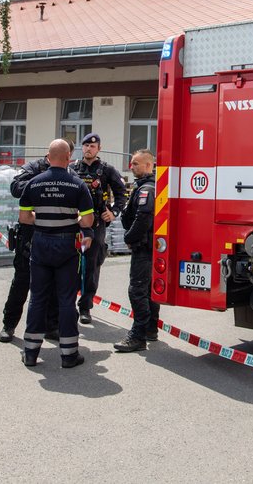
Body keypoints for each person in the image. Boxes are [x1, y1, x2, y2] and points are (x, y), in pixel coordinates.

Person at [18, 139, 95, 367]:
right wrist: (73, 219)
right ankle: (69, 354)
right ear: (69, 158)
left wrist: (41, 219)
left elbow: (24, 218)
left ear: (48, 158)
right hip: (66, 246)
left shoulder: (34, 183)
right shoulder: (77, 184)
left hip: (40, 243)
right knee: (66, 300)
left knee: (38, 298)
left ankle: (31, 353)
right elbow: (88, 220)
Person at [0, 153, 62, 343]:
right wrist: (44, 182)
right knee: (22, 281)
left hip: (54, 234)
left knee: (54, 284)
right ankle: (9, 325)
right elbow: (16, 188)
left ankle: (51, 326)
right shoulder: (33, 168)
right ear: (49, 157)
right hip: (30, 232)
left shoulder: (68, 171)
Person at [69, 132, 126, 324]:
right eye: (85, 145)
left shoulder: (107, 170)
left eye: (92, 146)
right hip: (74, 224)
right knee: (70, 264)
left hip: (96, 224)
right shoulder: (72, 168)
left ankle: (85, 307)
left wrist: (114, 212)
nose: (88, 149)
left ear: (99, 148)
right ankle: (67, 305)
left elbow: (121, 193)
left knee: (91, 266)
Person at [113, 149, 159, 353]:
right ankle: (150, 329)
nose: (132, 167)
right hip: (145, 246)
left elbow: (144, 218)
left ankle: (138, 335)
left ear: (149, 165)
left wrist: (129, 237)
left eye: (136, 164)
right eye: (132, 163)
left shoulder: (147, 189)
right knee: (148, 290)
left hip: (143, 247)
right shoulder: (143, 186)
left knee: (137, 290)